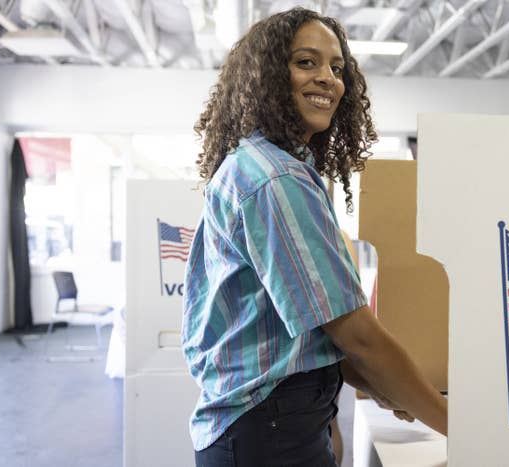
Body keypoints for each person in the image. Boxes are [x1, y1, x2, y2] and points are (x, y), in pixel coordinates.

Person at [182, 7, 447, 467]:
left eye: (337, 68)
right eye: (306, 62)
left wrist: (386, 388)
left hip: (267, 426)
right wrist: (456, 422)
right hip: (269, 433)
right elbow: (356, 335)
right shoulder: (276, 178)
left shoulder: (264, 164)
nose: (328, 78)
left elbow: (310, 336)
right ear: (267, 76)